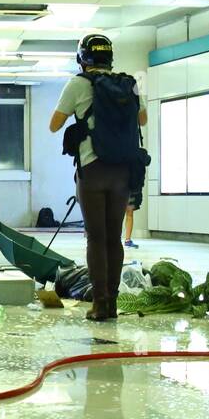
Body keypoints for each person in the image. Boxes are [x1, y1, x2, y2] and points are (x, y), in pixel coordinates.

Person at [49, 33, 147, 322]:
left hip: (92, 170)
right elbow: (142, 120)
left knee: (95, 238)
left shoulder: (77, 84)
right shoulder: (128, 84)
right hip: (122, 171)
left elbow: (54, 125)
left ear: (82, 59)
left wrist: (80, 120)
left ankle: (100, 304)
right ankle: (113, 304)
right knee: (113, 237)